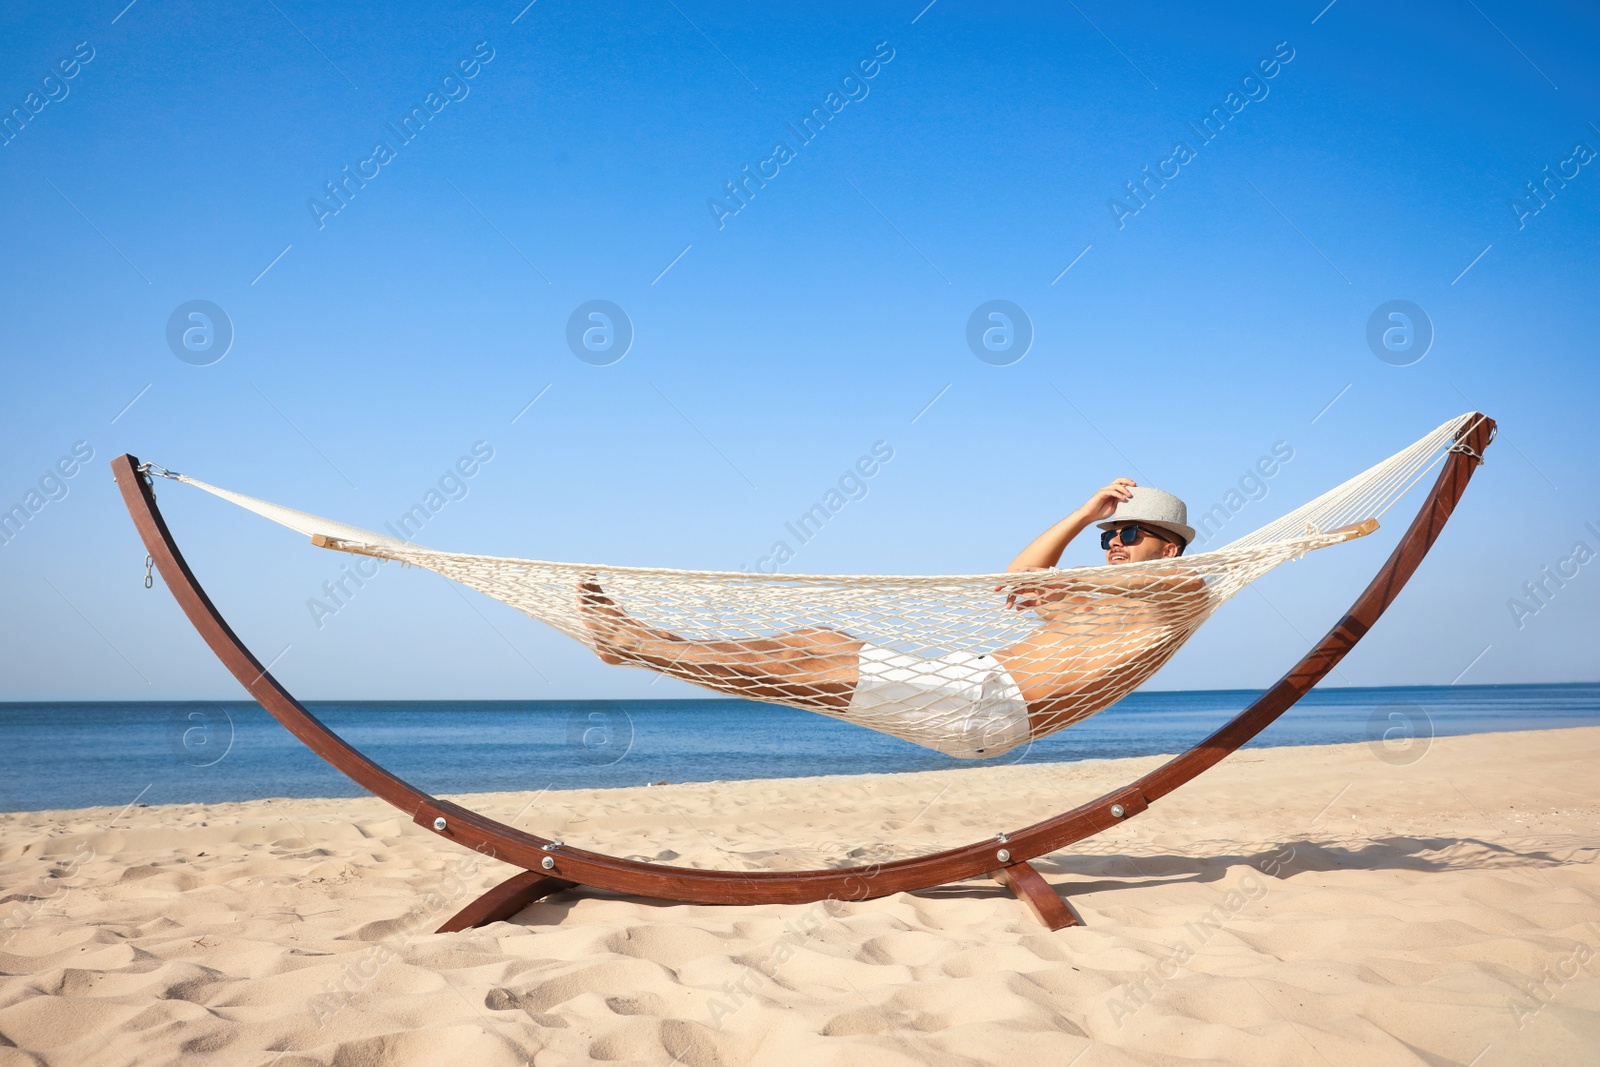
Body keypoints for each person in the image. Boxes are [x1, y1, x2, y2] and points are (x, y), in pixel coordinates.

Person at [577, 479, 1205, 759]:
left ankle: (631, 646)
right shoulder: (1100, 604)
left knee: (809, 658)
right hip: (970, 688)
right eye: (1107, 534)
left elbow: (1187, 584)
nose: (1113, 543)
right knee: (815, 641)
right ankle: (646, 642)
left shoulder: (1179, 598)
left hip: (989, 706)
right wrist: (1082, 511)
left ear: (1170, 547)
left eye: (1128, 532)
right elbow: (1019, 578)